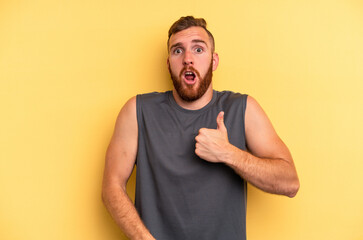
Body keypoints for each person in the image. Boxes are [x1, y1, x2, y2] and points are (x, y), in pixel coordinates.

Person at [102, 16, 299, 240]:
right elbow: (111, 187)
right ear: (168, 64)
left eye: (198, 49)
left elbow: (290, 183)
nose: (188, 59)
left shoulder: (243, 109)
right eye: (178, 51)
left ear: (214, 61)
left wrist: (228, 153)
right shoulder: (137, 111)